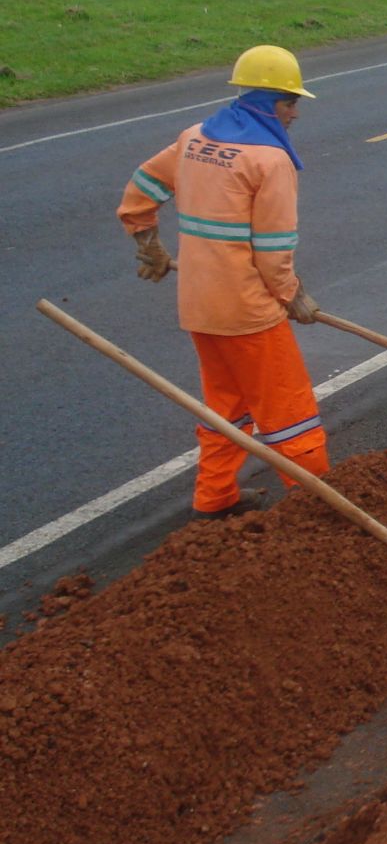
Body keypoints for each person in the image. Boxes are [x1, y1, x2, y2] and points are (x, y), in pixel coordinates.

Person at [118, 44, 329, 519]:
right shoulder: (269, 161)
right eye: (289, 102)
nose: (295, 113)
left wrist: (147, 243)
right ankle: (317, 510)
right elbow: (274, 251)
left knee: (226, 410)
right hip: (248, 312)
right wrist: (293, 295)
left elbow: (142, 189)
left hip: (199, 306)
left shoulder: (195, 138)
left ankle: (214, 499)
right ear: (266, 100)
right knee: (291, 413)